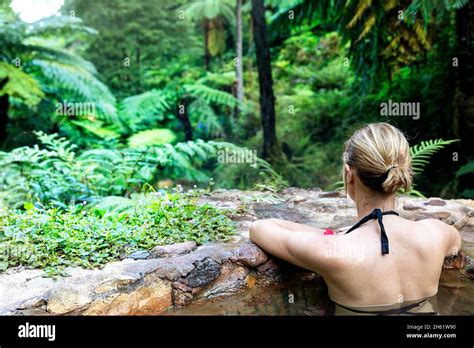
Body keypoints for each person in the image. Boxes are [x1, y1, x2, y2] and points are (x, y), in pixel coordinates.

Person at [249, 123, 462, 315]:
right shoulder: (435, 234)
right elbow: (456, 244)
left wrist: (331, 235)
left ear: (350, 175)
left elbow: (260, 228)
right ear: (403, 172)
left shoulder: (332, 250)